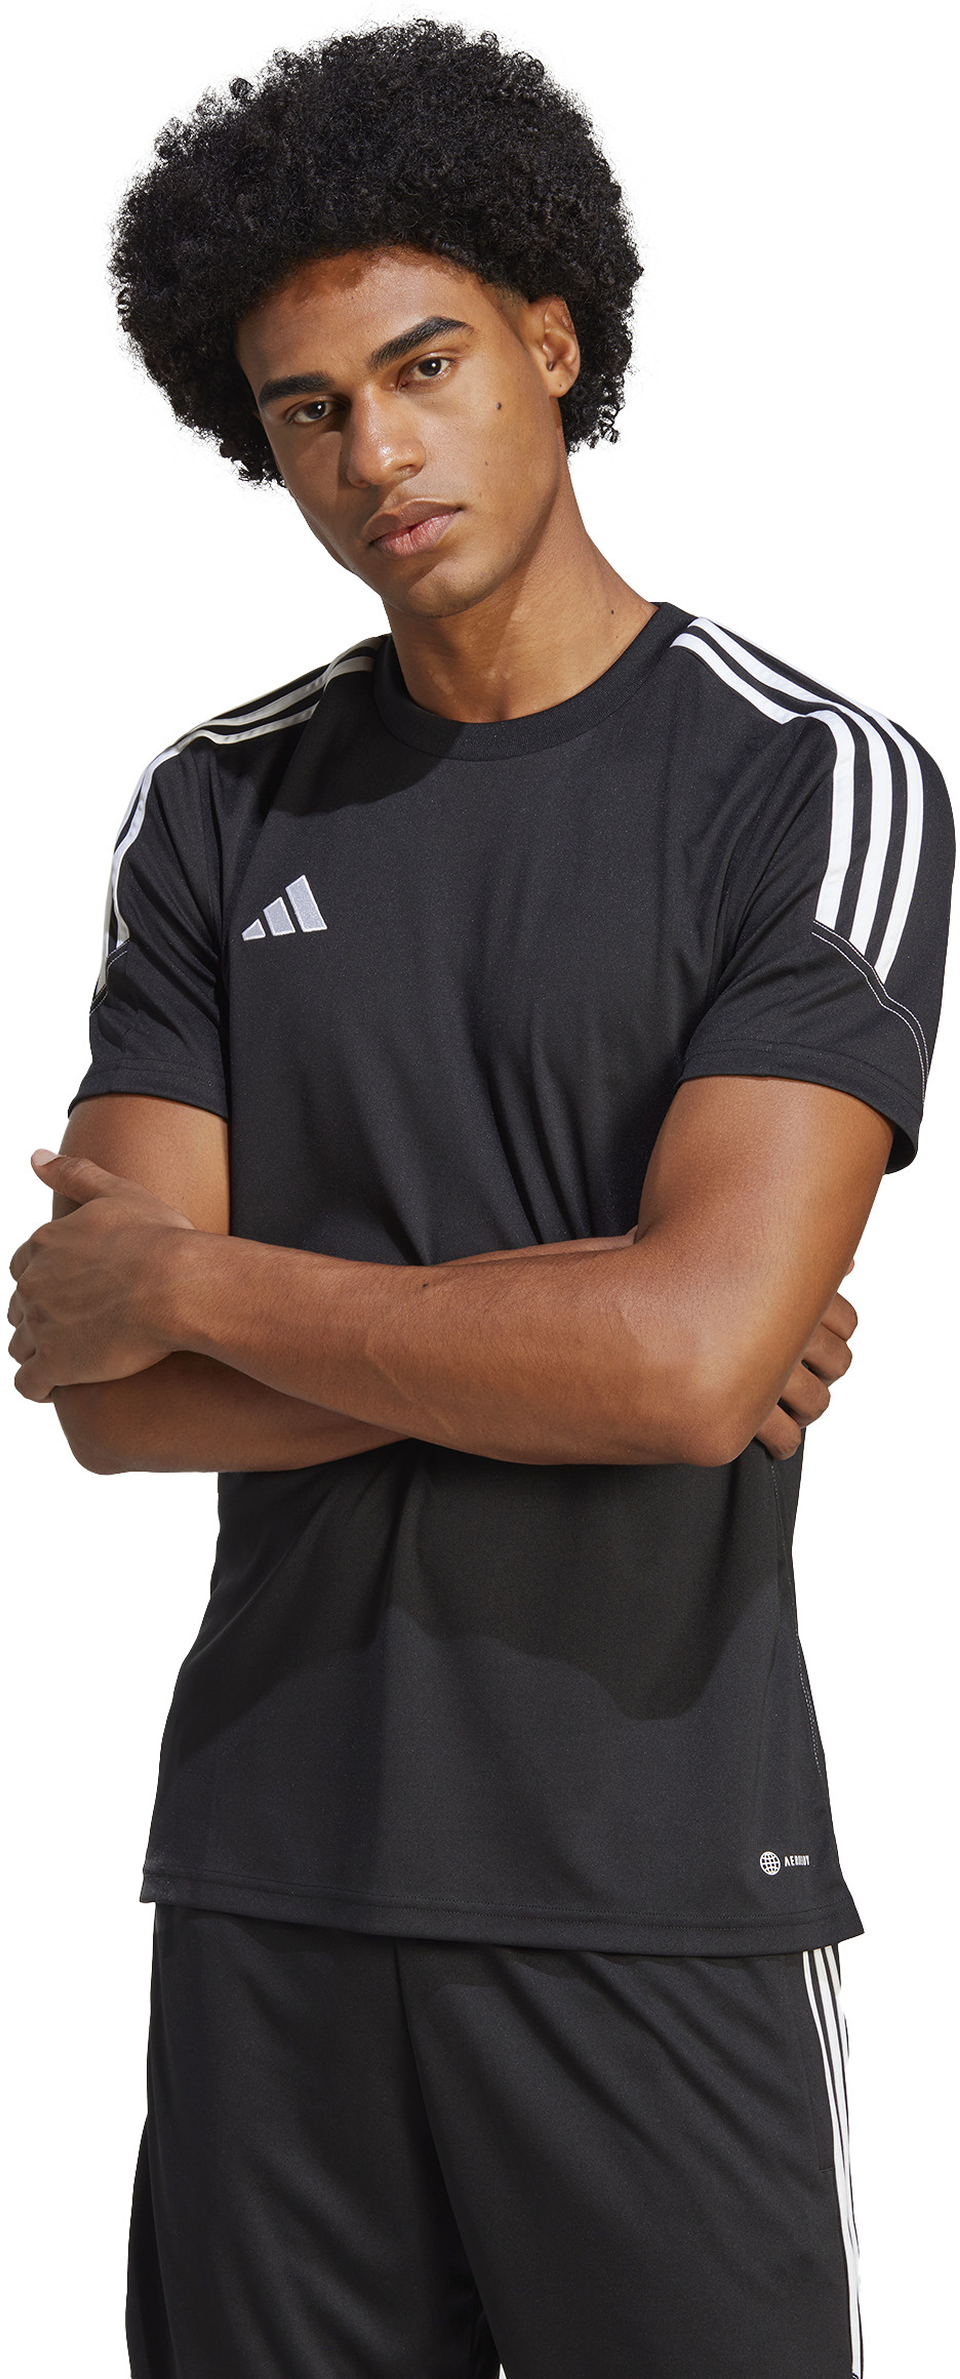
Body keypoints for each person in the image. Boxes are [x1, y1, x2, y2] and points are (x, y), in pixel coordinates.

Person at [7, 22, 953, 2379]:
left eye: (421, 366)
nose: (376, 455)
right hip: (270, 1885)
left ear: (550, 334)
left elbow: (683, 1369)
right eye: (306, 410)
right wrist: (595, 1338)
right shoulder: (218, 811)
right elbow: (108, 1393)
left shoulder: (808, 783)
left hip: (650, 1882)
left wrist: (208, 1278)